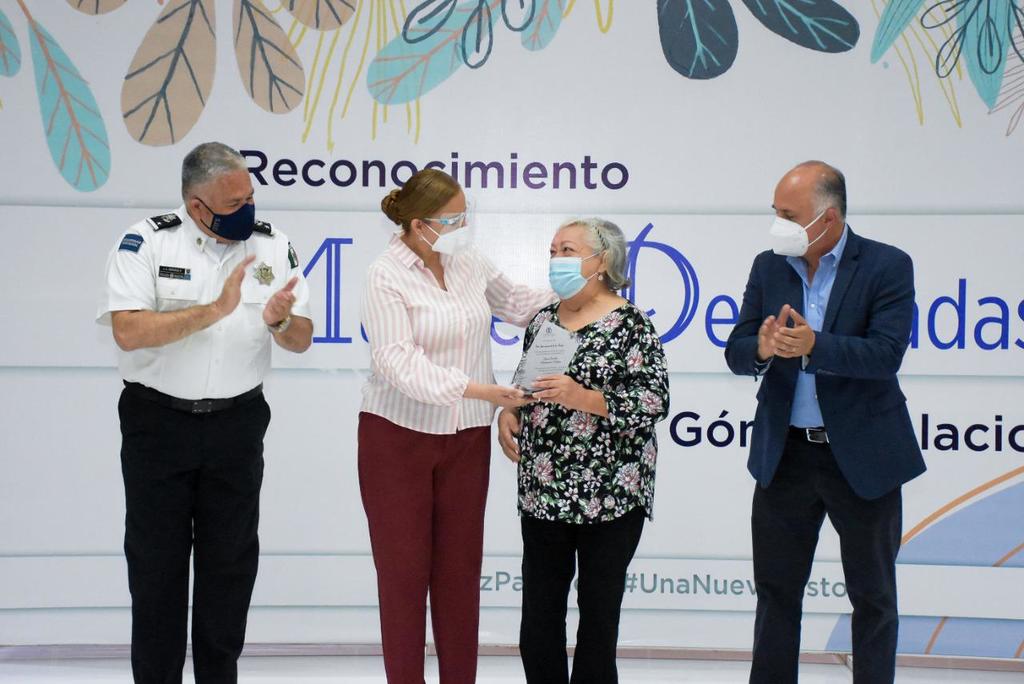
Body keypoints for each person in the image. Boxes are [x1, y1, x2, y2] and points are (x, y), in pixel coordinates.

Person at [97, 142, 313, 684]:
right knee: (156, 569)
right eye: (234, 203)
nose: (248, 210)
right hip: (157, 424)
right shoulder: (146, 242)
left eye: (250, 197)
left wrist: (281, 322)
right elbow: (128, 330)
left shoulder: (273, 244)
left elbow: (302, 338)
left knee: (229, 568)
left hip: (237, 425)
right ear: (197, 205)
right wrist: (215, 309)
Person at [725, 161, 926, 684]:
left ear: (828, 219)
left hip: (862, 456)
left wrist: (816, 346)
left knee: (873, 596)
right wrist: (761, 348)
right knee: (776, 593)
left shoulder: (887, 265)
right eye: (776, 212)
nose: (778, 225)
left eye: (789, 215)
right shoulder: (768, 266)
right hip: (785, 455)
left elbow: (885, 354)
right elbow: (736, 349)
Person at [358, 168, 554, 684]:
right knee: (403, 577)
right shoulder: (384, 274)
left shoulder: (468, 260)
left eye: (465, 215)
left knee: (460, 574)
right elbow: (398, 364)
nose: (463, 226)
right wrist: (482, 391)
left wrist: (576, 294)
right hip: (397, 437)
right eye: (453, 219)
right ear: (419, 224)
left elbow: (517, 304)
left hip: (466, 440)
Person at [497, 217, 670, 684]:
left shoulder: (630, 325)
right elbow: (527, 384)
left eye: (568, 250)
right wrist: (509, 411)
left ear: (602, 261)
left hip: (610, 496)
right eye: (553, 251)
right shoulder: (544, 319)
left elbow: (654, 401)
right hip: (544, 491)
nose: (556, 259)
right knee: (539, 618)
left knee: (598, 619)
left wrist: (585, 398)